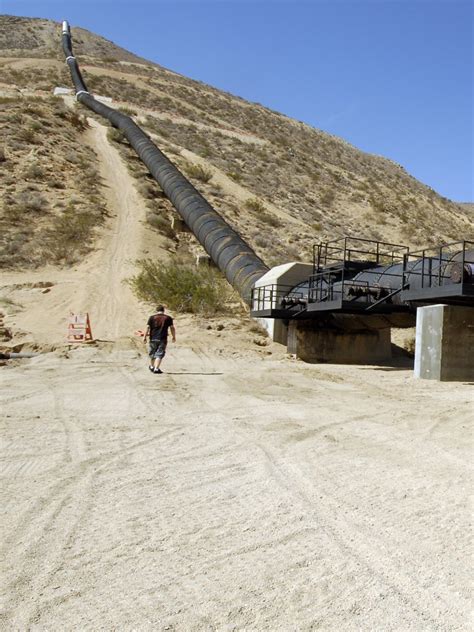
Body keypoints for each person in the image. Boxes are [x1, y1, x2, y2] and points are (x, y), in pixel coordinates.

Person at [143, 305, 176, 374]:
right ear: (163, 310)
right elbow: (172, 328)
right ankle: (156, 368)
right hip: (162, 338)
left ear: (157, 310)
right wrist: (173, 336)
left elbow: (147, 328)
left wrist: (145, 337)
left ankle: (152, 366)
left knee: (152, 353)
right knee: (159, 353)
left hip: (153, 338)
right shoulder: (168, 318)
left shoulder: (152, 318)